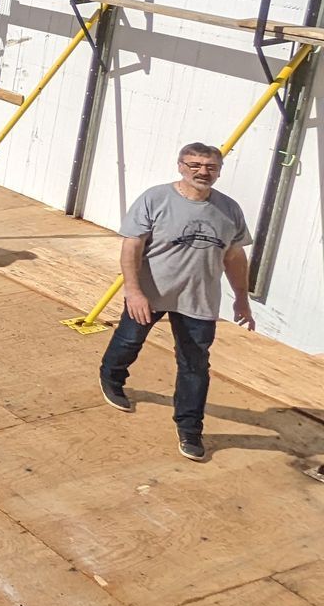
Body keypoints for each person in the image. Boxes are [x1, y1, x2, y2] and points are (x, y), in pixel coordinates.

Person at [100, 143, 254, 462]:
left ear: (220, 170)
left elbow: (235, 256)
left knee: (195, 365)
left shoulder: (229, 210)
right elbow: (132, 246)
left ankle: (190, 428)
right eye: (194, 164)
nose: (203, 172)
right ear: (180, 166)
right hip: (150, 293)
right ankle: (111, 376)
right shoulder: (155, 198)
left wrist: (242, 298)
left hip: (198, 301)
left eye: (210, 167)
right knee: (129, 341)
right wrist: (133, 291)